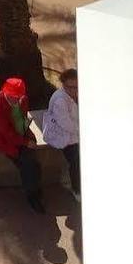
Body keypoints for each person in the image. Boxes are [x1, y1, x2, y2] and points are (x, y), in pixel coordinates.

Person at [0, 75, 45, 212]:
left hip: (20, 134)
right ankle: (32, 196)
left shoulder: (23, 99)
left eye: (18, 97)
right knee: (29, 166)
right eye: (12, 96)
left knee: (31, 165)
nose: (15, 100)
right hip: (6, 141)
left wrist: (26, 133)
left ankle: (33, 189)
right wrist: (26, 142)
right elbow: (5, 132)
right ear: (5, 92)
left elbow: (23, 117)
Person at [41, 68, 80, 197]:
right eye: (70, 87)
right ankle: (77, 189)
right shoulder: (60, 101)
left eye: (76, 86)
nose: (74, 90)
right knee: (77, 160)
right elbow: (66, 125)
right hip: (63, 136)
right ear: (63, 85)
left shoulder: (75, 94)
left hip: (75, 131)